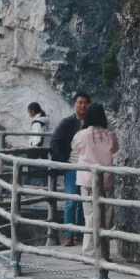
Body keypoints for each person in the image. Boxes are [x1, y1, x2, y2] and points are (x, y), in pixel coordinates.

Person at [71, 103, 119, 258]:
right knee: (106, 216)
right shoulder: (110, 134)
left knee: (90, 215)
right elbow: (115, 149)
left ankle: (90, 251)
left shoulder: (81, 134)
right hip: (106, 179)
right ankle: (104, 252)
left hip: (87, 179)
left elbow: (75, 148)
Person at [49, 92, 91, 241]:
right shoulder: (67, 122)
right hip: (72, 166)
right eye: (80, 102)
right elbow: (54, 141)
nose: (83, 105)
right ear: (75, 104)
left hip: (86, 167)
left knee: (82, 201)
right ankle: (68, 235)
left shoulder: (90, 124)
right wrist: (63, 160)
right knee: (71, 201)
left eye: (86, 103)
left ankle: (79, 232)